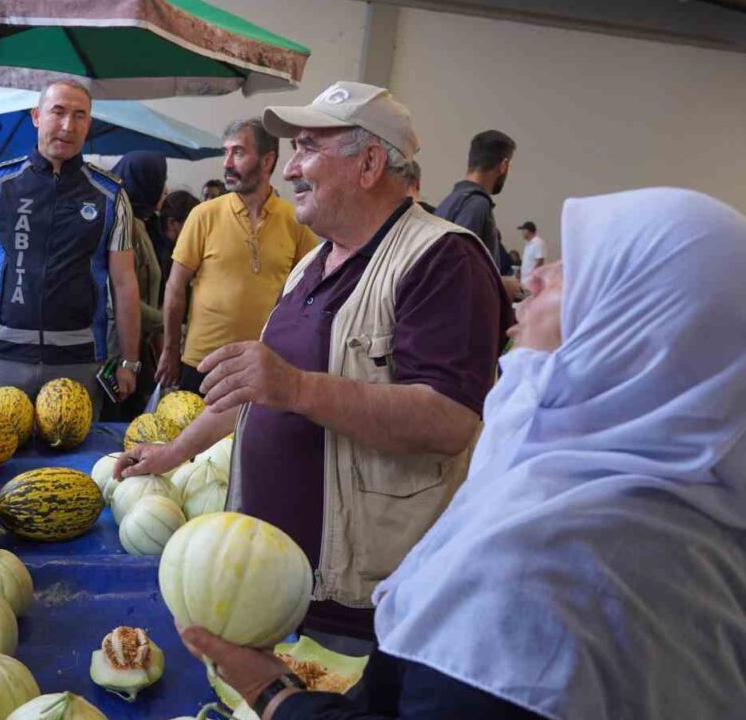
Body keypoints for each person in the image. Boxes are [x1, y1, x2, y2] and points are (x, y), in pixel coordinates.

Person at [180, 188, 746, 720]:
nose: (533, 278)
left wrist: (271, 693)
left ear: (641, 332)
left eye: (580, 271)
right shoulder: (701, 515)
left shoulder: (550, 558)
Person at [120, 82, 510, 649]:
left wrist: (298, 387)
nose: (291, 169)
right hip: (267, 590)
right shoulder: (311, 264)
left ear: (371, 163)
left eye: (307, 149)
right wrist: (178, 450)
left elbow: (450, 421)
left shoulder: (443, 260)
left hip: (358, 606)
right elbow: (258, 392)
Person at [0, 80, 140, 408]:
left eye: (80, 116)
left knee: (73, 456)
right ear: (37, 116)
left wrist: (128, 361)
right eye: (58, 112)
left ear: (89, 124)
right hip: (4, 356)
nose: (68, 125)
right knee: (1, 450)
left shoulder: (110, 195)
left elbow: (124, 283)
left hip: (80, 361)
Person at [156, 119, 319, 395]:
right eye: (225, 152)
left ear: (267, 161)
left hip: (262, 366)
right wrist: (171, 350)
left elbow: (309, 292)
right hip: (201, 364)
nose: (227, 163)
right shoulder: (204, 215)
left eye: (238, 152)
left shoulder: (295, 220)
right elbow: (175, 287)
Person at [110, 152, 168, 416]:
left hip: (140, 354)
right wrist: (173, 324)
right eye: (160, 180)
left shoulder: (142, 225)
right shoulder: (126, 227)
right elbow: (121, 295)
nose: (165, 189)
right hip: (122, 357)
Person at [435, 130, 521, 299]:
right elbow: (457, 271)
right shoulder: (477, 206)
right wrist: (503, 286)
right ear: (503, 166)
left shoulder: (449, 202)